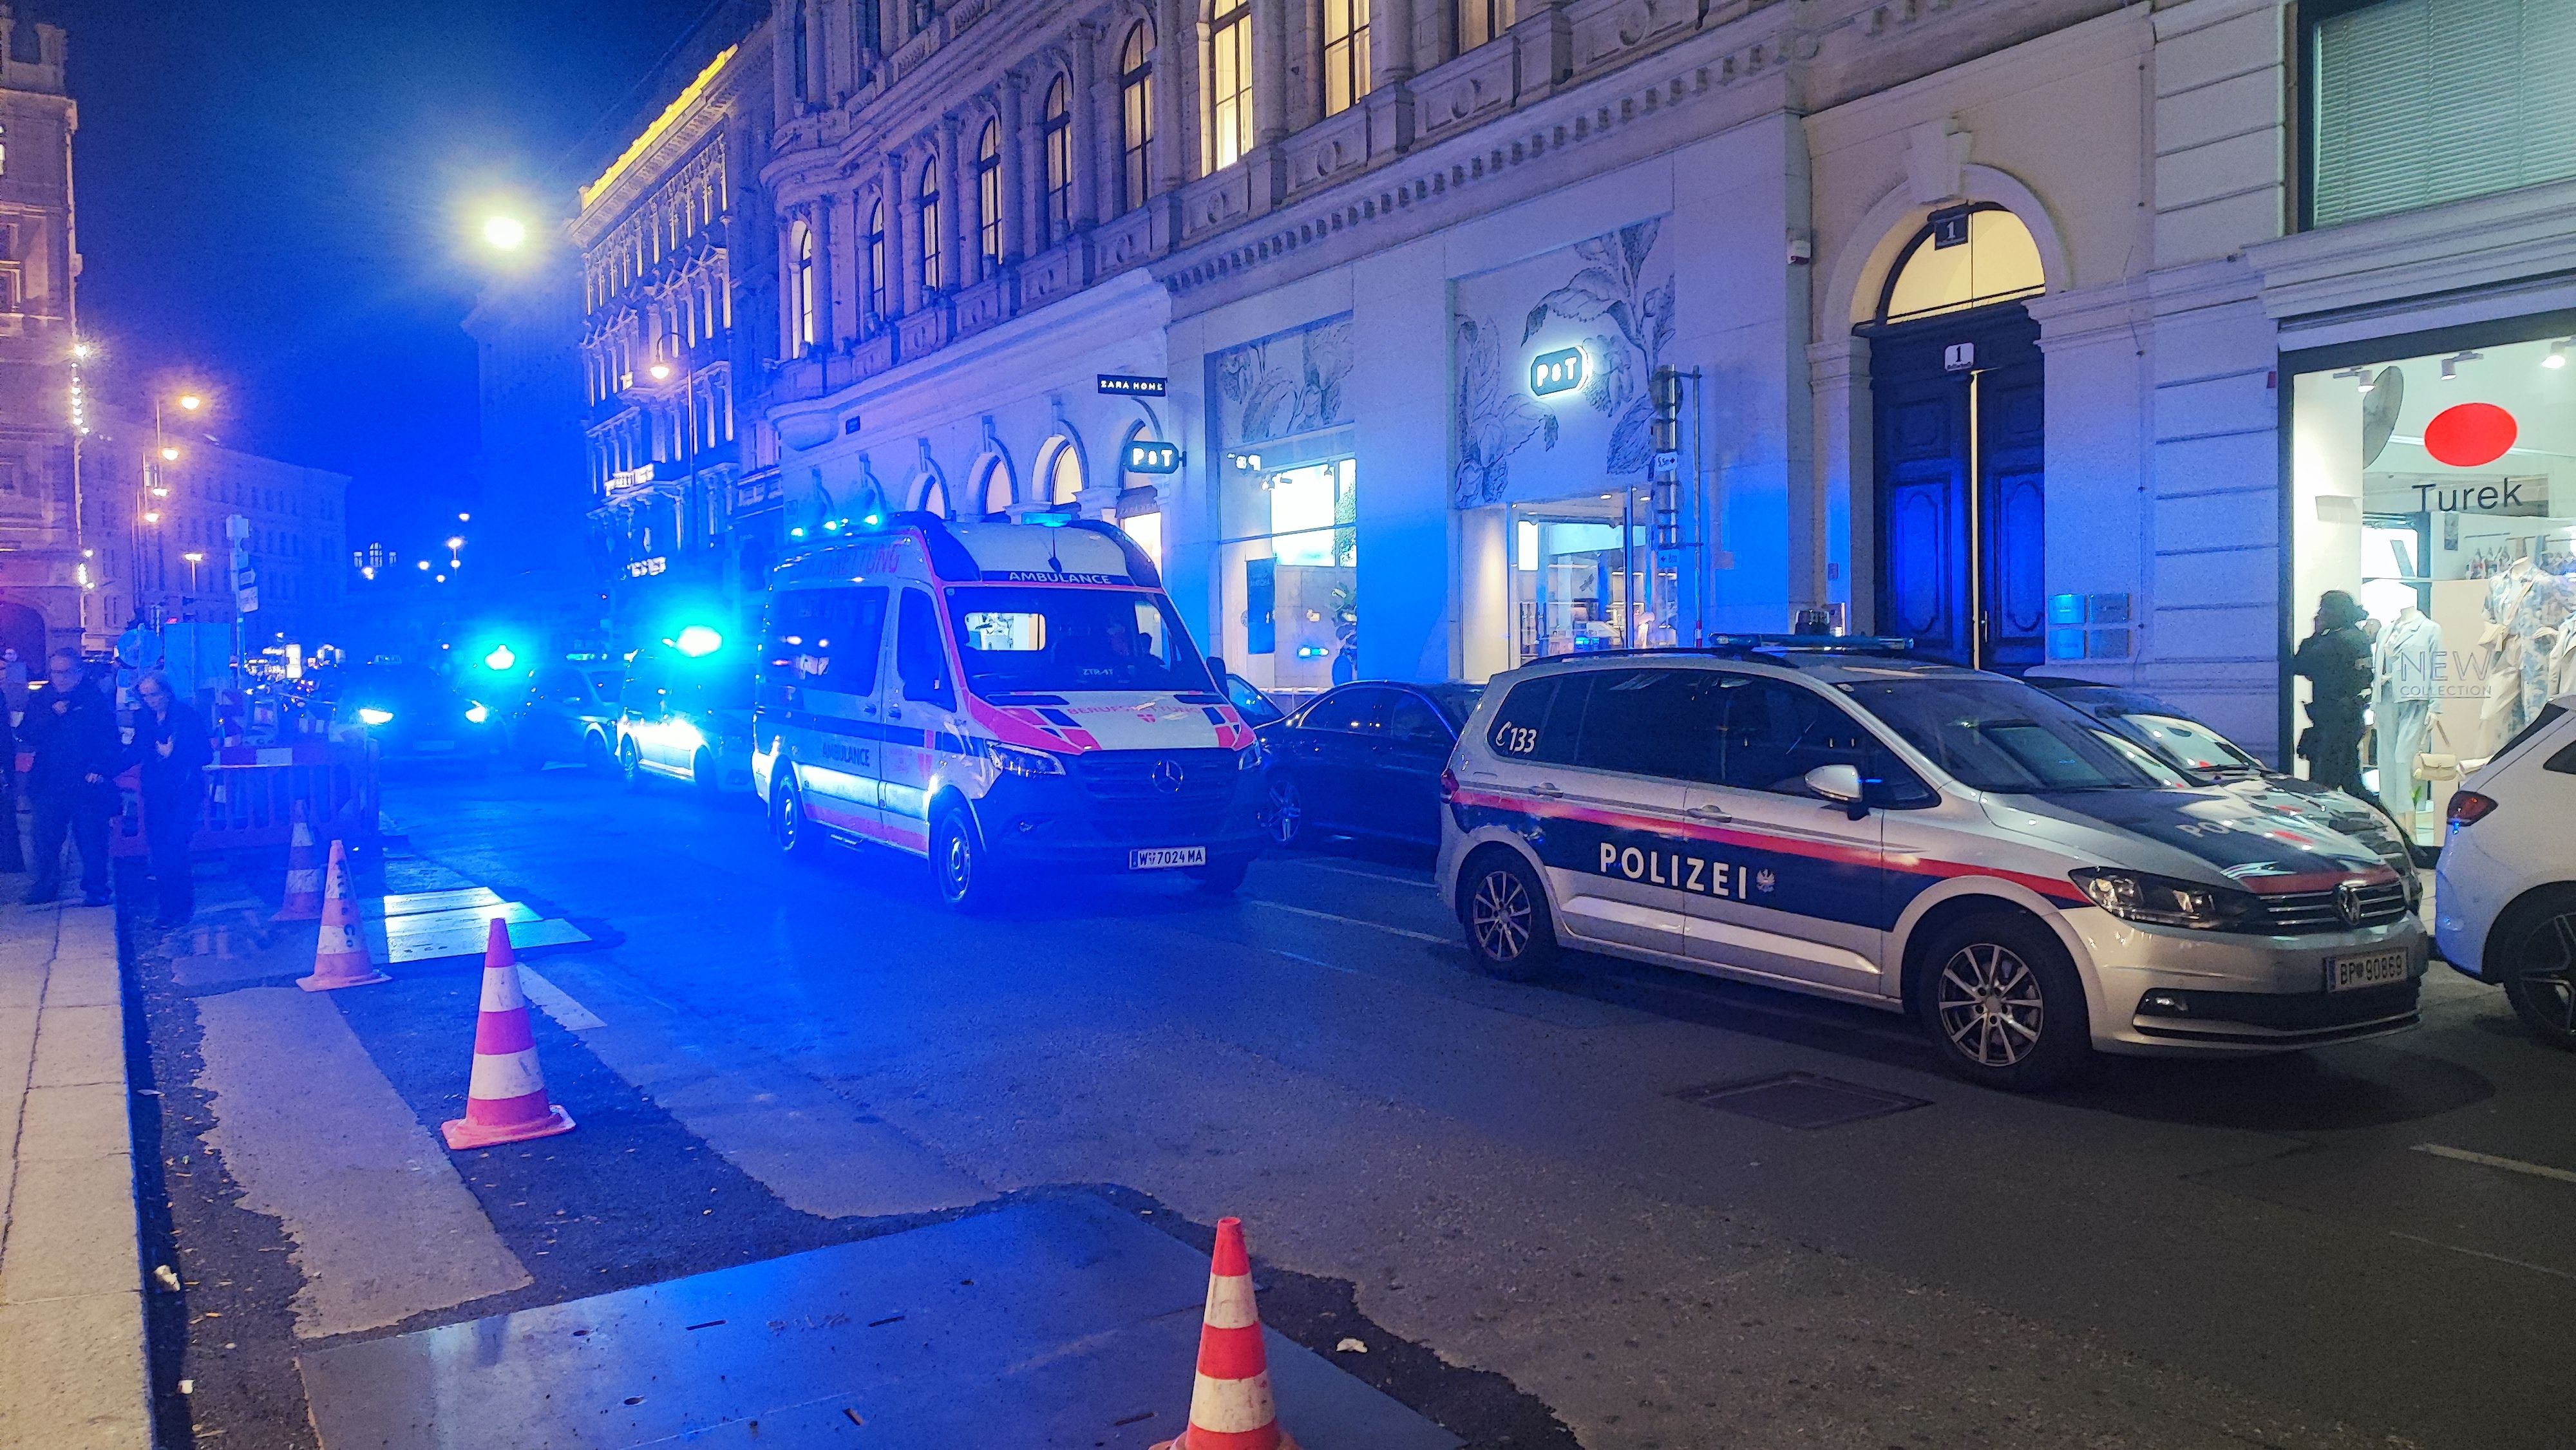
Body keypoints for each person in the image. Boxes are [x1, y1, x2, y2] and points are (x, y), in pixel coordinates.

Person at [21, 650, 119, 906]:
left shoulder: (94, 699)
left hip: (85, 782)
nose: (60, 678)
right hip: (49, 781)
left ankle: (96, 887)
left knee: (91, 838)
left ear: (79, 672)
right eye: (56, 672)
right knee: (45, 838)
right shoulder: (42, 699)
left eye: (66, 672)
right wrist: (52, 716)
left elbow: (109, 739)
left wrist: (99, 768)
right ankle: (45, 885)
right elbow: (28, 733)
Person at [128, 672, 211, 925]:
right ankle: (167, 910)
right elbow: (136, 750)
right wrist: (104, 769)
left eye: (154, 694)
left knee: (175, 848)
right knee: (159, 850)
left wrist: (174, 753)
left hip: (183, 792)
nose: (150, 700)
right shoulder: (144, 719)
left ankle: (181, 908)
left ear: (166, 692)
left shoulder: (186, 716)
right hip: (156, 793)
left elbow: (205, 754)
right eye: (145, 696)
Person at [2293, 590, 2374, 799]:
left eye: (2324, 609)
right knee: (2352, 785)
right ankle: (2382, 818)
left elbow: (2299, 665)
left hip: (2333, 723)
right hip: (2350, 719)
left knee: (2321, 788)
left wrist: (2316, 634)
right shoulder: (2358, 637)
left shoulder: (2334, 641)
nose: (2320, 613)